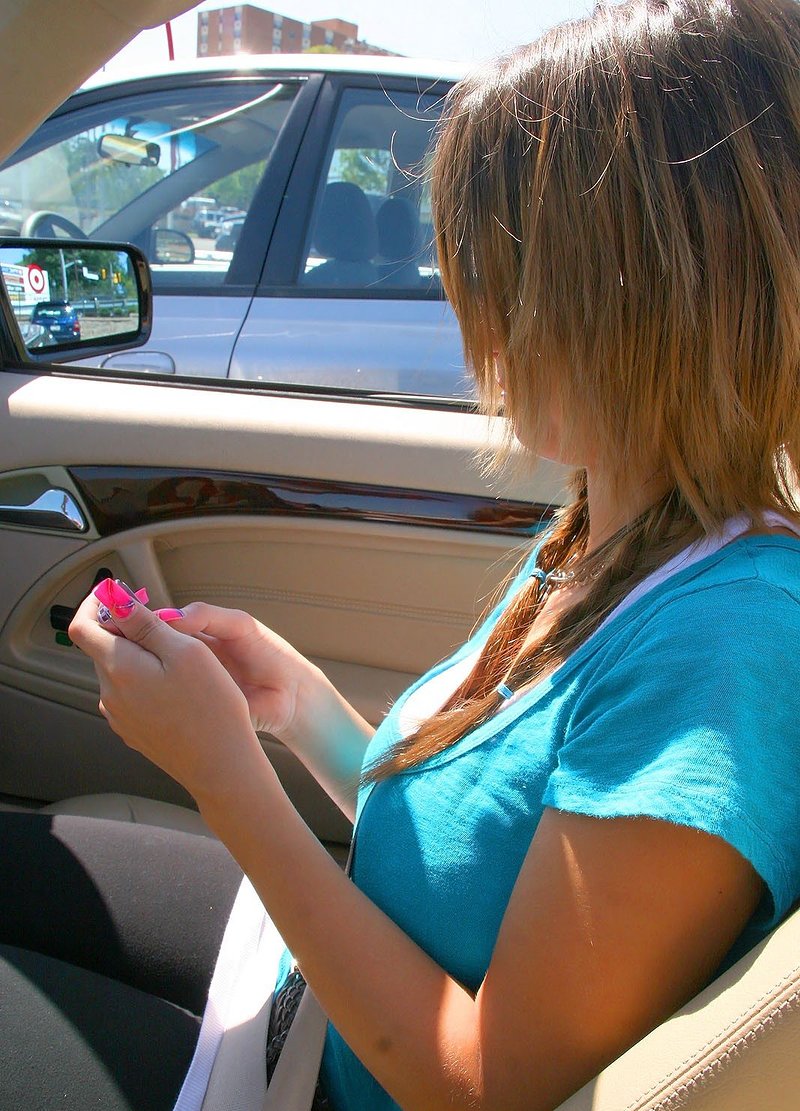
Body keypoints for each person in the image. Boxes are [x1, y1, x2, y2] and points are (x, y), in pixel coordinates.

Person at [4, 0, 800, 1106]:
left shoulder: (728, 645)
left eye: (517, 269)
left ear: (670, 293)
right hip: (312, 993)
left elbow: (480, 1084)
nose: (478, 318)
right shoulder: (620, 526)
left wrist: (225, 777)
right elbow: (473, 856)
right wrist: (299, 708)